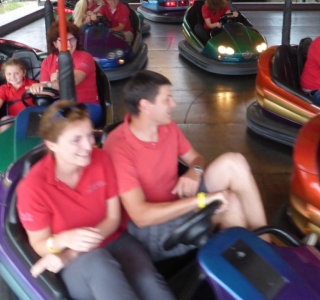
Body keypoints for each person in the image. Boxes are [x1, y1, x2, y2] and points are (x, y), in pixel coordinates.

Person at [103, 70, 268, 261]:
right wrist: (201, 200)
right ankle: (247, 266)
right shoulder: (119, 147)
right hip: (153, 230)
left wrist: (194, 171)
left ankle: (267, 246)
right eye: (167, 99)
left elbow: (196, 158)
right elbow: (141, 216)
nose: (173, 104)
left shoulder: (166, 126)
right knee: (231, 202)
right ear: (145, 105)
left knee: (234, 162)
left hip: (180, 199)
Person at [16, 102, 174, 300]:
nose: (88, 145)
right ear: (52, 144)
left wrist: (73, 251)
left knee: (150, 284)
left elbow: (113, 218)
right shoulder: (33, 188)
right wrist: (63, 240)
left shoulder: (101, 159)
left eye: (90, 135)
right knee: (99, 264)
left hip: (111, 240)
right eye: (76, 140)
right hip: (76, 265)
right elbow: (39, 243)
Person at [29, 21, 103, 125]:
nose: (69, 44)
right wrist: (37, 88)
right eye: (63, 40)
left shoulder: (84, 57)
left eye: (72, 39)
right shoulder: (48, 61)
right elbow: (47, 92)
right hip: (61, 106)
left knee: (64, 125)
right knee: (39, 123)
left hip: (87, 105)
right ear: (55, 43)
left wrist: (51, 83)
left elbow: (73, 81)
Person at [0, 58, 36, 133]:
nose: (12, 77)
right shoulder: (3, 88)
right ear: (4, 75)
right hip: (14, 119)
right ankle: (2, 140)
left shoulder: (33, 84)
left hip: (32, 117)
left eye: (16, 73)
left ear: (24, 73)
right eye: (9, 74)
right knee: (4, 120)